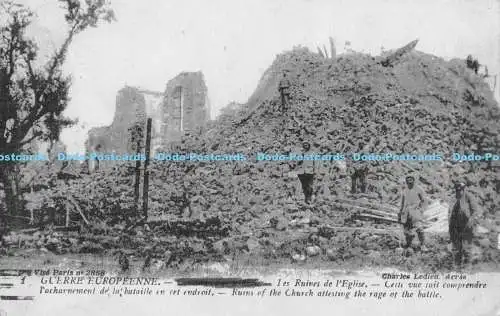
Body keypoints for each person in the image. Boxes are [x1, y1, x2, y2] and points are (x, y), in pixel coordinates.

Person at [448, 181, 481, 266]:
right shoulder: (453, 198)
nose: (459, 192)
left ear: (463, 189)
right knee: (456, 250)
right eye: (457, 190)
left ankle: (467, 269)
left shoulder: (469, 197)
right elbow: (450, 213)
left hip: (467, 227)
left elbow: (475, 212)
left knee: (467, 249)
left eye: (461, 190)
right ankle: (457, 269)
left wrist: (471, 222)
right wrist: (451, 228)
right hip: (456, 227)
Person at [398, 175, 427, 251]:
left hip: (415, 211)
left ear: (414, 181)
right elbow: (402, 202)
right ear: (406, 182)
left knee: (419, 228)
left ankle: (423, 245)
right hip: (406, 211)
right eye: (408, 180)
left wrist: (421, 210)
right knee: (407, 229)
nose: (409, 181)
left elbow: (424, 200)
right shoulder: (404, 190)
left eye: (411, 180)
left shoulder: (419, 189)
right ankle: (409, 244)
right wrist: (400, 212)